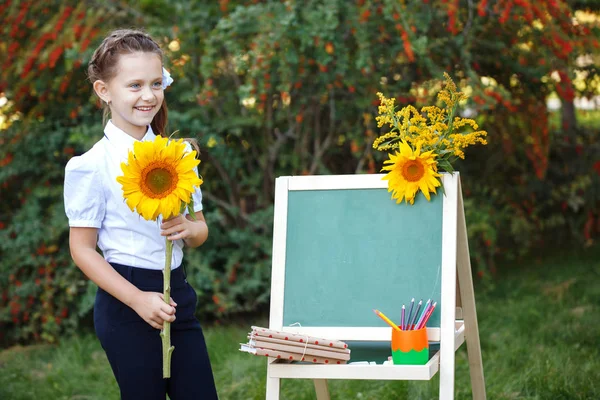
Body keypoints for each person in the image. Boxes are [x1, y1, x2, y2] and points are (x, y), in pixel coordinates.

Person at [63, 29, 218, 399]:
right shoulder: (91, 166)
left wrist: (188, 229)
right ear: (104, 91)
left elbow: (201, 231)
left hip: (177, 293)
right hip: (125, 303)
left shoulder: (178, 155)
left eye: (155, 83)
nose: (148, 96)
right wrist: (137, 299)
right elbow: (82, 250)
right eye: (134, 85)